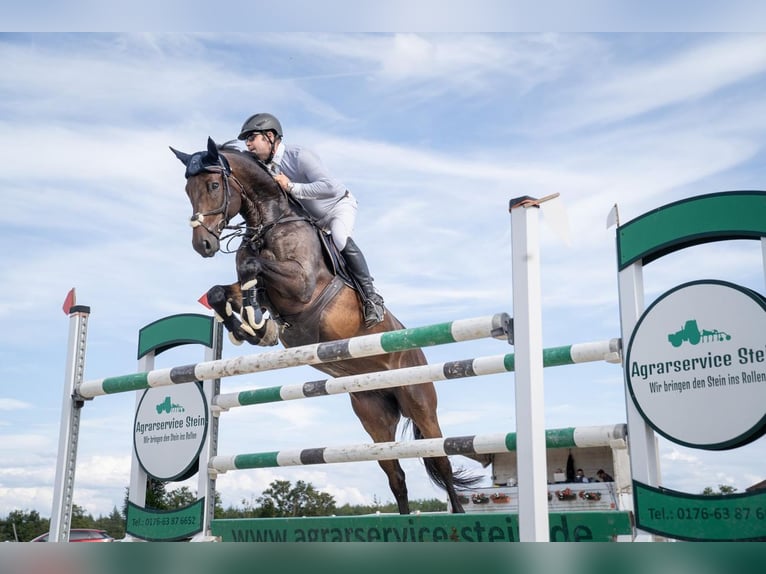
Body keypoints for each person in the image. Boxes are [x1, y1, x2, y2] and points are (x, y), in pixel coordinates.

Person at [237, 112, 385, 327]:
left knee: (340, 238)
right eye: (247, 141)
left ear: (269, 136)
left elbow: (329, 187)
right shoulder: (264, 167)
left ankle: (372, 297)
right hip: (311, 219)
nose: (248, 144)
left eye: (252, 138)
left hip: (337, 207)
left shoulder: (299, 155)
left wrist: (291, 187)